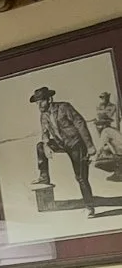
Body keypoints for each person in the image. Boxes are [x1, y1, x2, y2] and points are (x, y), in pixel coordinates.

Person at [30, 86, 97, 217]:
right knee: (39, 146)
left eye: (41, 101)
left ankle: (90, 207)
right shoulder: (43, 115)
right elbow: (44, 133)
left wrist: (89, 146)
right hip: (62, 144)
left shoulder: (64, 107)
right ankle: (44, 176)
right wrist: (46, 145)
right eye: (37, 102)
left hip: (76, 144)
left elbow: (80, 123)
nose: (39, 105)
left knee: (81, 177)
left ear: (49, 99)